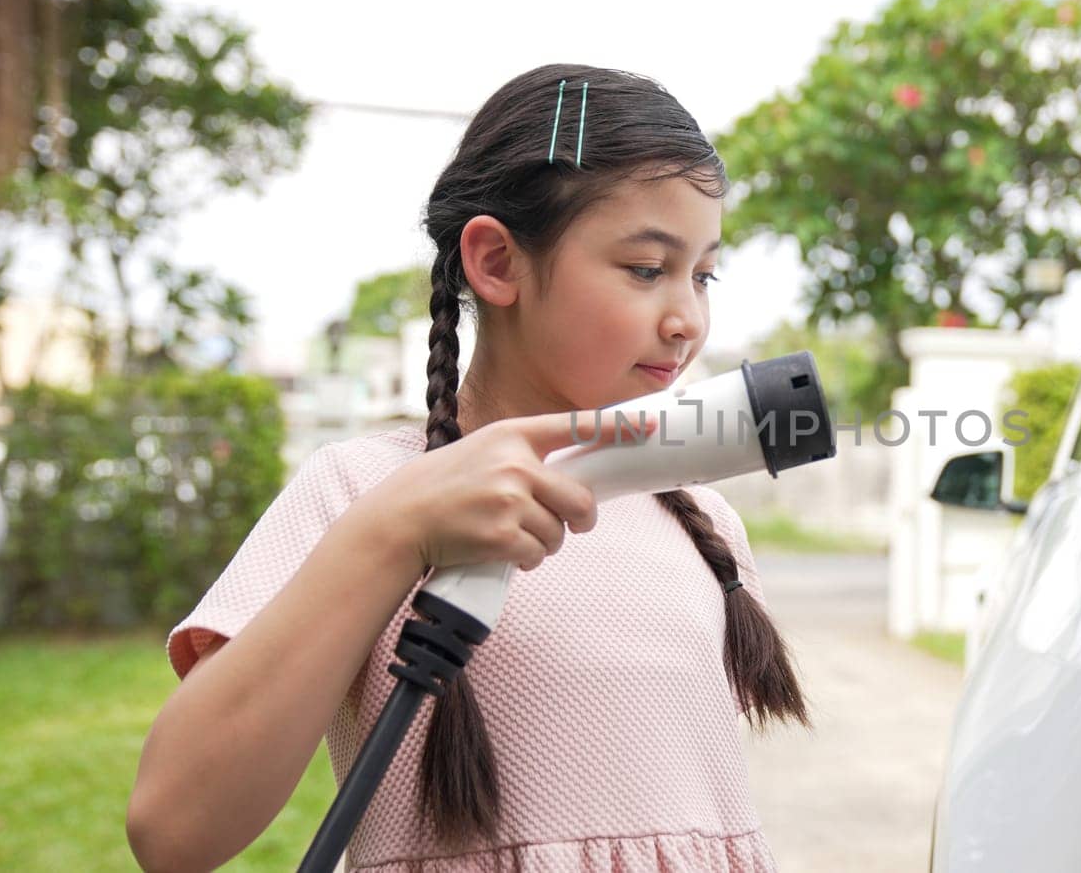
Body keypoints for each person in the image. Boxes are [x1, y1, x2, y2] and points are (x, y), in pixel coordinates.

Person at [127, 63, 808, 872]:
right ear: (495, 261)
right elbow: (174, 831)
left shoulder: (703, 525)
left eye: (703, 275)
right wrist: (390, 535)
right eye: (646, 269)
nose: (686, 319)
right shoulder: (362, 494)